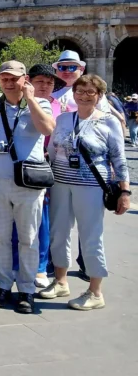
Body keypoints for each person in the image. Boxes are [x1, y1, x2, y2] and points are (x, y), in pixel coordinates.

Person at [40, 75, 131, 310]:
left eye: (90, 92)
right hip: (60, 183)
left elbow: (119, 159)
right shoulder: (62, 119)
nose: (83, 95)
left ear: (99, 95)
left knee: (91, 236)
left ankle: (95, 291)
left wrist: (125, 192)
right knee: (58, 233)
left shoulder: (109, 122)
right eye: (80, 91)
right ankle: (60, 280)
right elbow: (51, 150)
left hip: (90, 186)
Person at [0, 61, 54, 314]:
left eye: (14, 78)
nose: (9, 82)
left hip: (28, 182)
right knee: (0, 238)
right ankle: (2, 284)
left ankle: (26, 289)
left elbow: (47, 128)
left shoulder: (41, 103)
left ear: (25, 79)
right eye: (5, 78)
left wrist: (31, 98)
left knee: (28, 238)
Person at [10, 64, 65, 289]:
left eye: (50, 82)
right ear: (29, 81)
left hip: (49, 168)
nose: (45, 86)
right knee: (15, 221)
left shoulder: (60, 107)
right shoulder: (17, 103)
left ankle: (40, 266)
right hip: (19, 169)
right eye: (40, 81)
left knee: (41, 221)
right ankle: (16, 265)